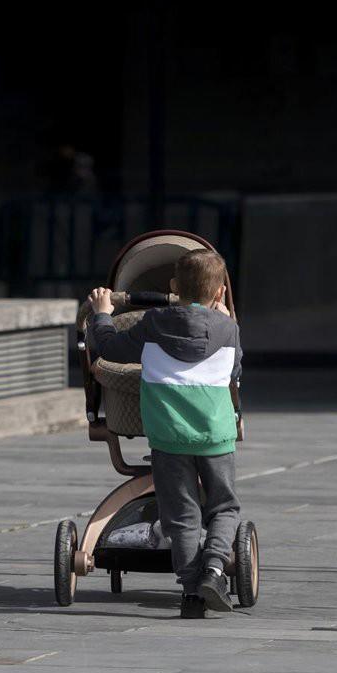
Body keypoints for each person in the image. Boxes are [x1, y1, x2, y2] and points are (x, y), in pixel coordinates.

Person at [87, 249, 242, 618]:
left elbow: (109, 347)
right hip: (215, 435)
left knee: (181, 515)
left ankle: (192, 593)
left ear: (174, 287)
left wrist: (102, 316)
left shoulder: (155, 323)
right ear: (220, 292)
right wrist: (222, 321)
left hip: (168, 436)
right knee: (224, 506)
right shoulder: (229, 329)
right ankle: (215, 569)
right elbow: (235, 373)